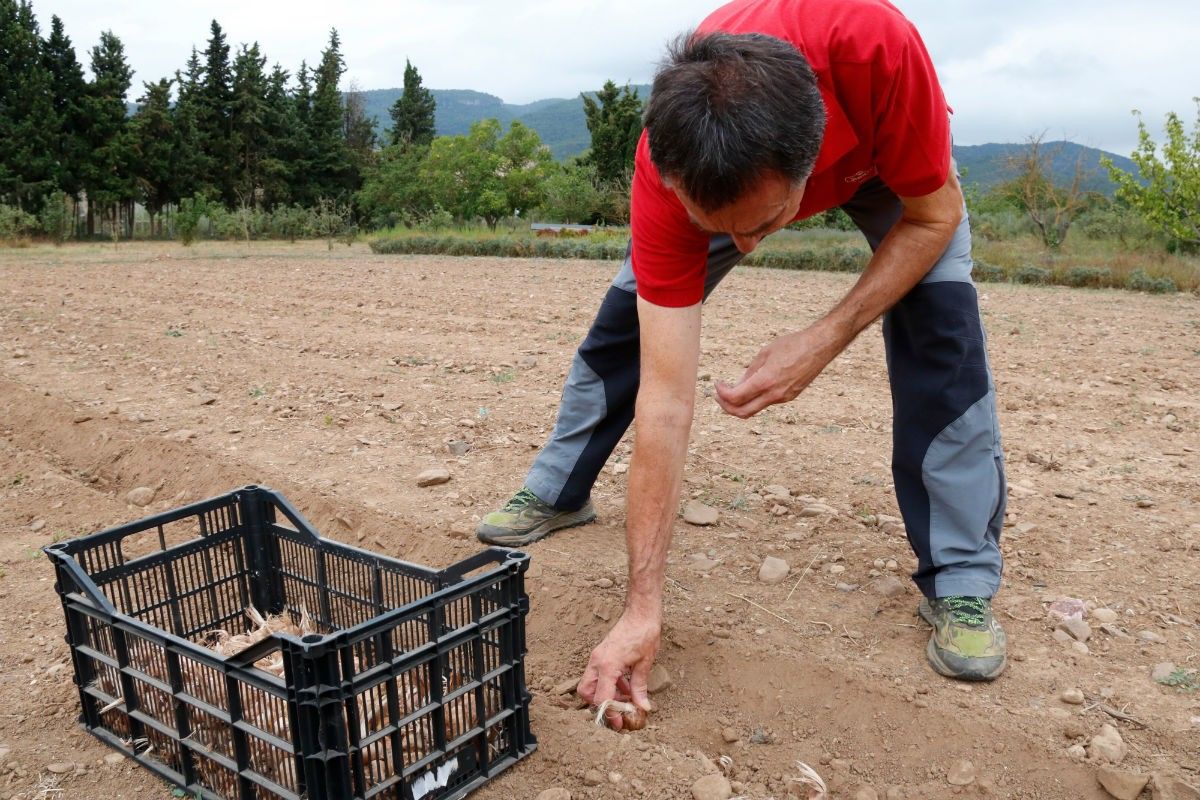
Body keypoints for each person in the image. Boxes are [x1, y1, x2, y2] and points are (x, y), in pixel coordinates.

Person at [477, 0, 1008, 724]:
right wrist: (642, 606)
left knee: (941, 333)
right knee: (625, 327)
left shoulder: (874, 48)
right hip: (736, 182)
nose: (749, 250)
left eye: (763, 227)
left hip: (891, 170)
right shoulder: (670, 160)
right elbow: (665, 399)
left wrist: (822, 338)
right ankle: (559, 489)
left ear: (812, 165)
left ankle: (960, 579)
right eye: (722, 230)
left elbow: (934, 217)